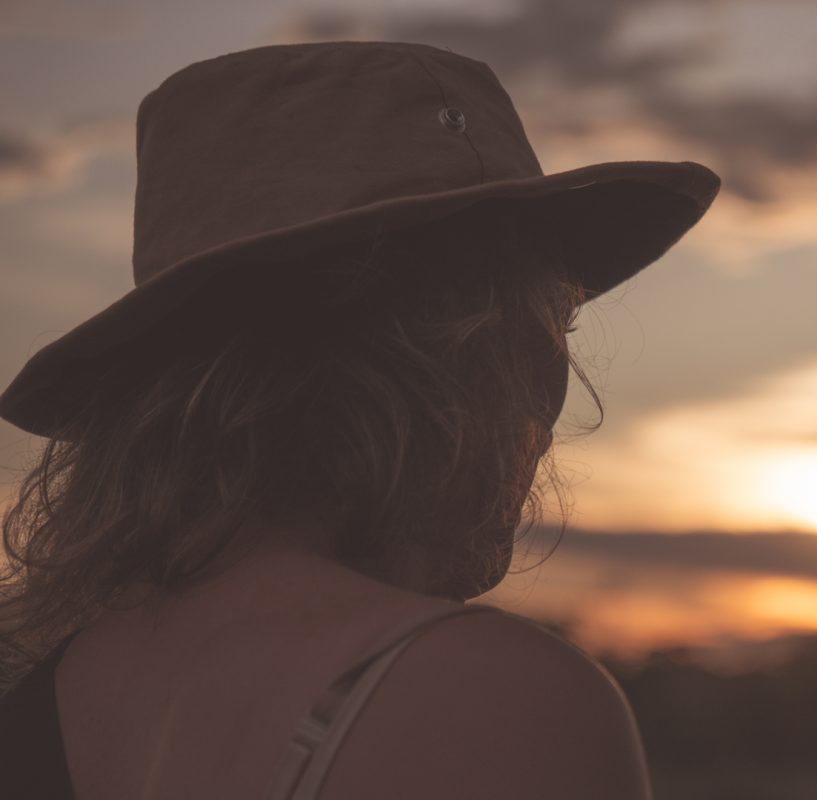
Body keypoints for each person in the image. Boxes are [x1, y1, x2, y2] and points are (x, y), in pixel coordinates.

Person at [0, 41, 720, 798]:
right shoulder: (494, 700)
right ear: (462, 349)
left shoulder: (48, 697)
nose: (549, 394)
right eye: (549, 326)